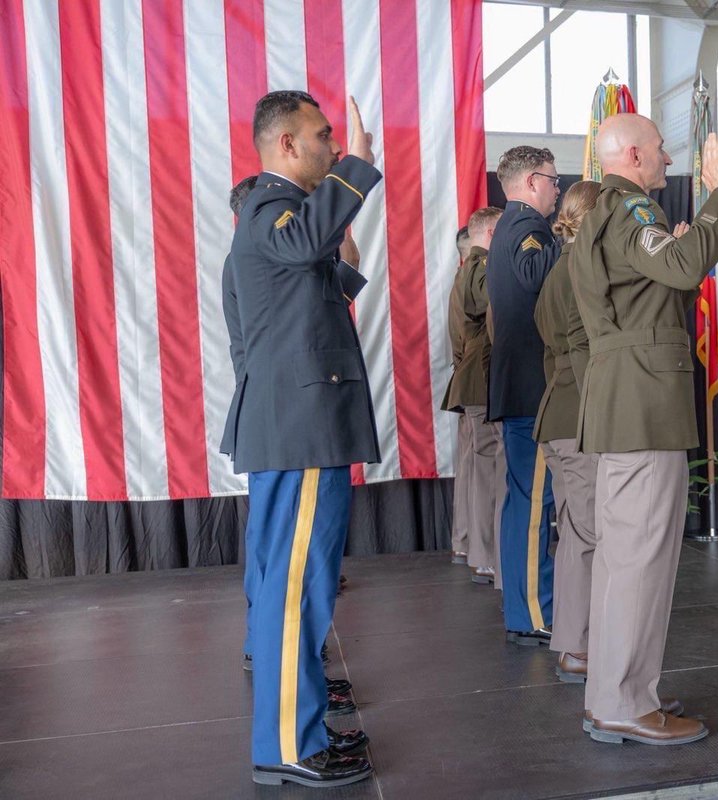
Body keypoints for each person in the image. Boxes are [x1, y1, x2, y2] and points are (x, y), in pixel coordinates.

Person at [571, 115, 718, 745]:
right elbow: (680, 268)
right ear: (637, 154)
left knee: (627, 559)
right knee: (640, 559)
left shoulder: (604, 212)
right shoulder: (629, 208)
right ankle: (623, 702)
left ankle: (618, 693)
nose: (670, 159)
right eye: (664, 150)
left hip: (628, 402)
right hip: (643, 405)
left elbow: (651, 287)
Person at [222, 89, 379, 788]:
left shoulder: (282, 217)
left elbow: (317, 288)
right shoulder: (268, 207)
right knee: (296, 588)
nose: (334, 146)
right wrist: (356, 175)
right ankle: (289, 743)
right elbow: (294, 243)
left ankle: (298, 727)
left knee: (305, 584)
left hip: (302, 425)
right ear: (287, 144)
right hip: (300, 428)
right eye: (324, 136)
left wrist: (341, 228)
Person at [228, 176, 357, 715]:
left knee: (281, 563)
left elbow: (340, 286)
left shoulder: (273, 261)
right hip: (291, 424)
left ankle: (285, 671)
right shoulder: (272, 252)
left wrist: (339, 226)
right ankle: (289, 711)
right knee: (288, 572)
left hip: (283, 424)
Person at [487, 146, 562, 646]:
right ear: (533, 181)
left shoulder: (509, 228)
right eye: (555, 180)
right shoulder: (530, 230)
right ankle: (535, 611)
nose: (559, 188)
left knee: (523, 504)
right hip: (533, 388)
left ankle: (522, 606)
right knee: (535, 505)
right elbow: (541, 281)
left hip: (519, 386)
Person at [532, 180, 600, 683]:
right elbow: (582, 352)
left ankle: (577, 640)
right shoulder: (580, 269)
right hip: (577, 417)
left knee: (578, 531)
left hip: (560, 414)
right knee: (589, 535)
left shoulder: (560, 269)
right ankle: (578, 645)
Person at [444, 207, 505, 585]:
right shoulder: (480, 271)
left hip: (471, 377)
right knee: (486, 469)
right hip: (482, 377)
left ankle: (466, 543)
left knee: (473, 466)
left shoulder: (464, 272)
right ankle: (484, 555)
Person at [445, 225, 473, 566]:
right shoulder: (471, 281)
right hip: (476, 382)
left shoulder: (461, 280)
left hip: (467, 384)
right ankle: (471, 543)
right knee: (478, 473)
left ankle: (465, 541)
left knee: (471, 469)